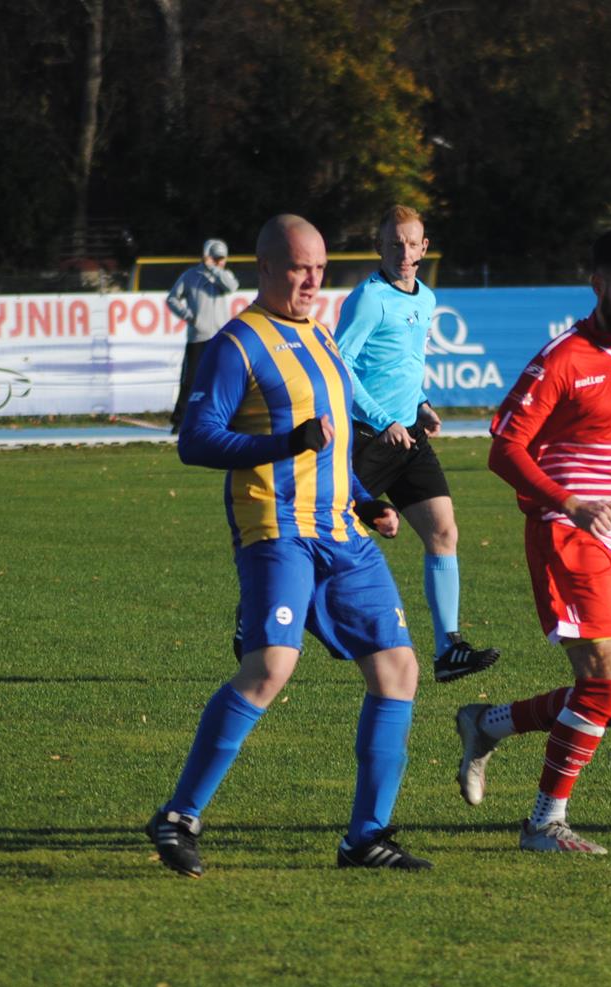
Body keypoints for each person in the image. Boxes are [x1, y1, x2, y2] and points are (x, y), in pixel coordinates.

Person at [145, 213, 432, 877]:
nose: (311, 280)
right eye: (299, 268)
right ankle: (179, 814)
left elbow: (329, 450)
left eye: (320, 269)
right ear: (267, 268)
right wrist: (284, 442)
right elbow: (195, 438)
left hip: (342, 532)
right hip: (275, 528)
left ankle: (366, 836)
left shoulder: (326, 341)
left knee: (399, 670)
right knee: (272, 665)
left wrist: (367, 501)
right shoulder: (237, 344)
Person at [453, 227, 611, 855]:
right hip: (566, 535)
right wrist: (566, 501)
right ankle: (543, 823)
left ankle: (488, 724)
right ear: (597, 284)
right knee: (599, 684)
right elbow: (503, 448)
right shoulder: (562, 358)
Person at [334, 205, 499, 684]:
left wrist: (422, 404)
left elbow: (405, 362)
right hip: (367, 438)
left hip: (409, 435)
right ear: (379, 247)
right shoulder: (368, 300)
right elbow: (340, 367)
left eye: (412, 243)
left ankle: (449, 649)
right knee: (322, 539)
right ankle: (258, 614)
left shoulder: (425, 297)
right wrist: (383, 419)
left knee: (444, 532)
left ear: (424, 247)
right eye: (394, 244)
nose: (404, 252)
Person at [165, 238, 239, 434]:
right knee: (190, 379)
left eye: (223, 258)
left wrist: (214, 270)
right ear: (209, 256)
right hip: (199, 336)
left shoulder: (224, 276)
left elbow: (232, 287)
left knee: (225, 379)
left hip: (222, 336)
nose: (221, 262)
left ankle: (228, 419)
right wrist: (189, 316)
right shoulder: (191, 276)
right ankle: (180, 420)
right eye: (217, 258)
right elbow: (172, 298)